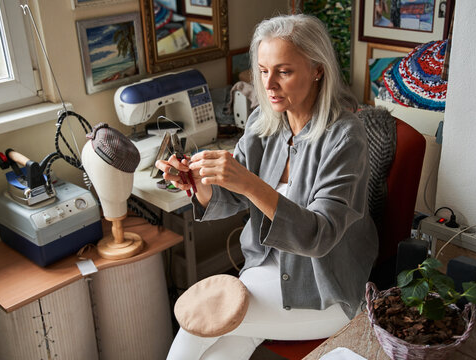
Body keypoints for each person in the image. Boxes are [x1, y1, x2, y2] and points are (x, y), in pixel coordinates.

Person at [156, 14, 378, 360]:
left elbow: (318, 237)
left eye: (284, 71)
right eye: (262, 70)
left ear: (317, 69)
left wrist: (249, 182)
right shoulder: (264, 122)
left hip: (324, 289)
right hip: (264, 272)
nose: (269, 84)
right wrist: (197, 183)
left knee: (195, 324)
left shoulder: (346, 137)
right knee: (218, 351)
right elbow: (230, 197)